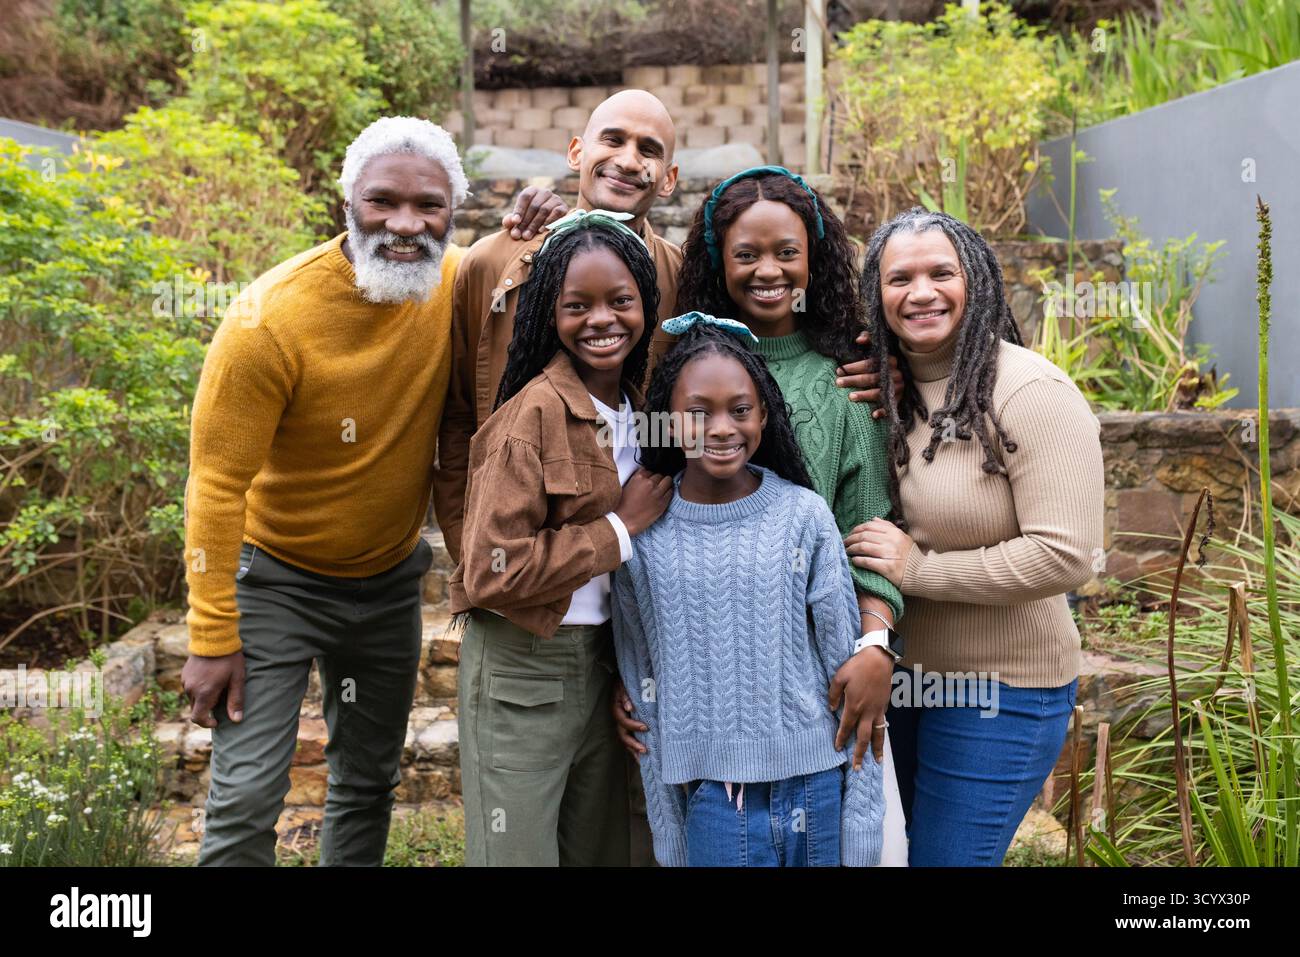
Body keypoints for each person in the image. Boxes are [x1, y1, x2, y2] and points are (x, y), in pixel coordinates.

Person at [180, 116, 565, 867]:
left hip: (387, 583)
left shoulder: (450, 283)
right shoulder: (269, 319)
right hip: (277, 581)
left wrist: (533, 225)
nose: (405, 223)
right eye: (382, 201)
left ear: (454, 210)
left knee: (365, 782)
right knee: (248, 791)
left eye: (429, 206)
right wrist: (210, 633)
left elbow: (540, 283)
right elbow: (216, 484)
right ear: (346, 200)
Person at [632, 166, 907, 864]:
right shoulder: (679, 374)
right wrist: (639, 683)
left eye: (787, 251)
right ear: (717, 261)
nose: (768, 270)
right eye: (746, 254)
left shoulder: (849, 381)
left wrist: (875, 646)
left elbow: (870, 529)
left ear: (814, 256)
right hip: (713, 718)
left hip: (819, 691)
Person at [846, 206, 1104, 866]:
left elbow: (1066, 554)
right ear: (877, 294)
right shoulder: (887, 389)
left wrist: (920, 569)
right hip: (903, 685)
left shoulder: (1030, 392)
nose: (922, 291)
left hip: (1003, 690)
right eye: (900, 277)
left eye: (941, 272)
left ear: (977, 280)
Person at [612, 314, 886, 866]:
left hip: (817, 782)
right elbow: (645, 694)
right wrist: (669, 834)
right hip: (713, 797)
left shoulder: (803, 515)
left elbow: (849, 685)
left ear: (764, 413)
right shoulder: (644, 532)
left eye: (740, 410)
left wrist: (861, 827)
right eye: (698, 413)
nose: (721, 428)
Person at [448, 211, 674, 866]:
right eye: (577, 305)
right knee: (515, 853)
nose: (602, 319)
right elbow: (490, 569)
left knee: (598, 851)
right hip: (522, 666)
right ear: (550, 313)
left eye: (620, 301)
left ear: (646, 304)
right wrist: (617, 526)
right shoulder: (533, 413)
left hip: (599, 664)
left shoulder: (636, 409)